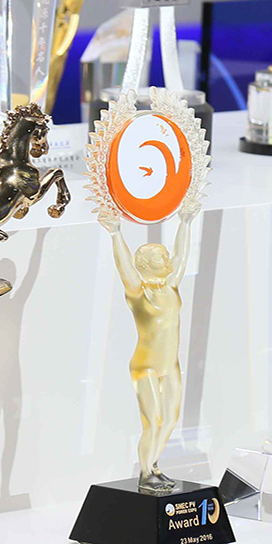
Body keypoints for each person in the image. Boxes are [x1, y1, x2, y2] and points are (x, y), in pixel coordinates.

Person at [104, 209, 195, 493]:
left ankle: (154, 466)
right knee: (152, 421)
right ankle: (145, 474)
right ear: (144, 265)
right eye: (159, 259)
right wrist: (115, 233)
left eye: (165, 257)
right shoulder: (138, 292)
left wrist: (185, 222)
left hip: (171, 365)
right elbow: (124, 269)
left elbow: (181, 255)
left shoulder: (171, 287)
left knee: (170, 419)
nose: (167, 261)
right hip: (146, 366)